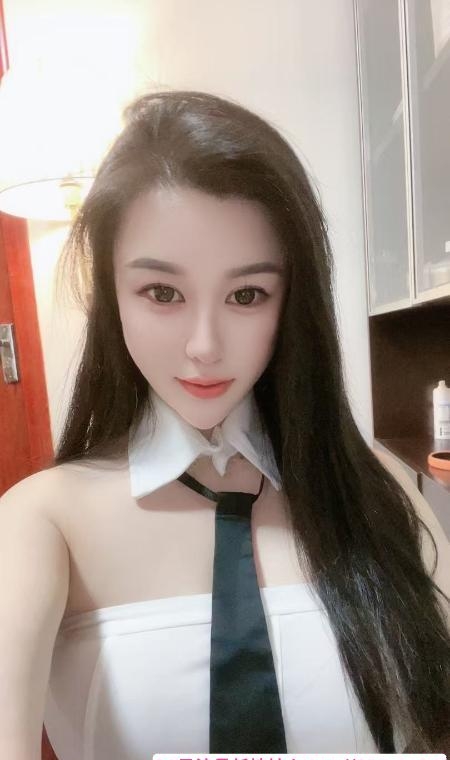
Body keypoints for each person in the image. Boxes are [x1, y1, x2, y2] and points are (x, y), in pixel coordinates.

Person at [0, 90, 449, 759]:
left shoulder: (376, 488)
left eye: (246, 294)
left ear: (291, 301)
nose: (204, 346)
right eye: (162, 293)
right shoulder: (42, 523)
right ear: (110, 294)